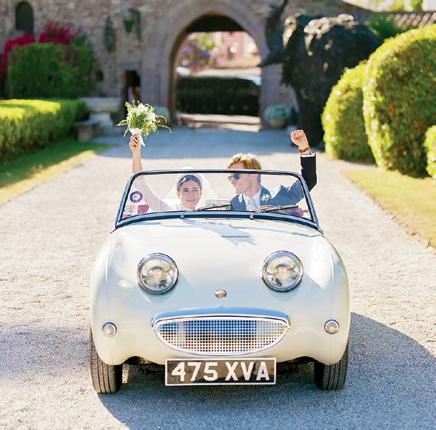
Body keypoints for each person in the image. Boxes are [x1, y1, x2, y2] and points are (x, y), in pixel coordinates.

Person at [227, 129, 316, 211]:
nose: (232, 181)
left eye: (236, 176)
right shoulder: (233, 205)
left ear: (253, 174)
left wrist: (304, 148)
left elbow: (308, 181)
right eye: (230, 177)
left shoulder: (278, 196)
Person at [129, 134, 202, 211]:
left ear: (201, 192)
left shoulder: (208, 213)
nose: (191, 194)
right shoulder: (167, 210)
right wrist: (136, 152)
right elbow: (140, 183)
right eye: (185, 190)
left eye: (195, 189)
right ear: (178, 193)